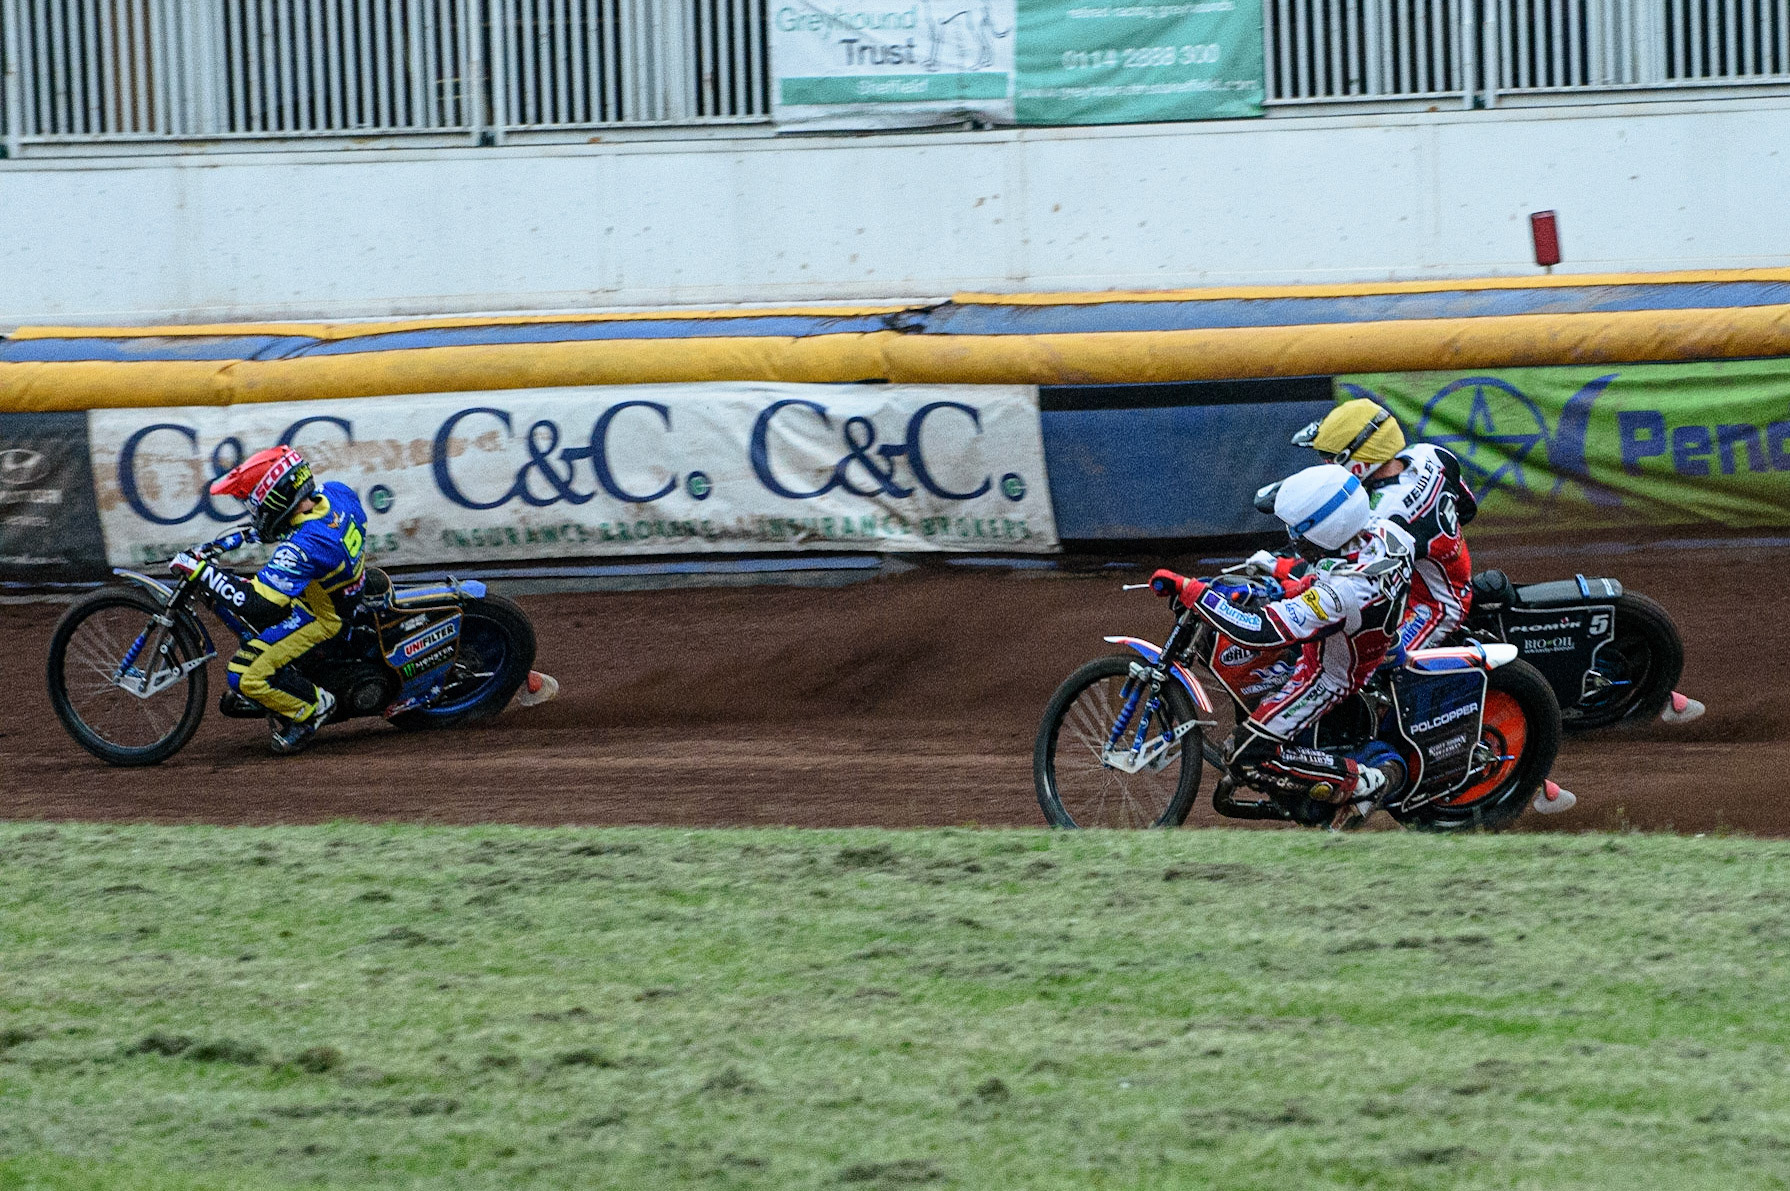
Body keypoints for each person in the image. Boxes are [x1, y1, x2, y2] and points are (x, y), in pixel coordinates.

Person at [1152, 464, 1415, 823]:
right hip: (1371, 637)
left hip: (1328, 675)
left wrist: (1194, 592)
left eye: (1301, 530)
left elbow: (1258, 631)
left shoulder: (1340, 594)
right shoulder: (1386, 534)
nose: (1293, 537)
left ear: (1328, 529)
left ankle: (1365, 781)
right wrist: (1279, 583)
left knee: (1245, 753)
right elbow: (1329, 574)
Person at [167, 445, 368, 755]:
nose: (254, 513)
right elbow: (271, 530)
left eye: (255, 505)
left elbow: (258, 603)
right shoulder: (335, 495)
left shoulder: (304, 546)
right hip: (342, 590)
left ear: (278, 497)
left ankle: (312, 708)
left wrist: (201, 573)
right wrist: (222, 545)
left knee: (243, 675)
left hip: (322, 619)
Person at [1289, 397, 1478, 652]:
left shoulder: (1380, 515)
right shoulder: (1432, 454)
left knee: (1364, 659)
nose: (1325, 464)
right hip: (1439, 578)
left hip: (1432, 606)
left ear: (1358, 459)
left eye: (1329, 457)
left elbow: (1344, 573)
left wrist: (1282, 571)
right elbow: (1467, 508)